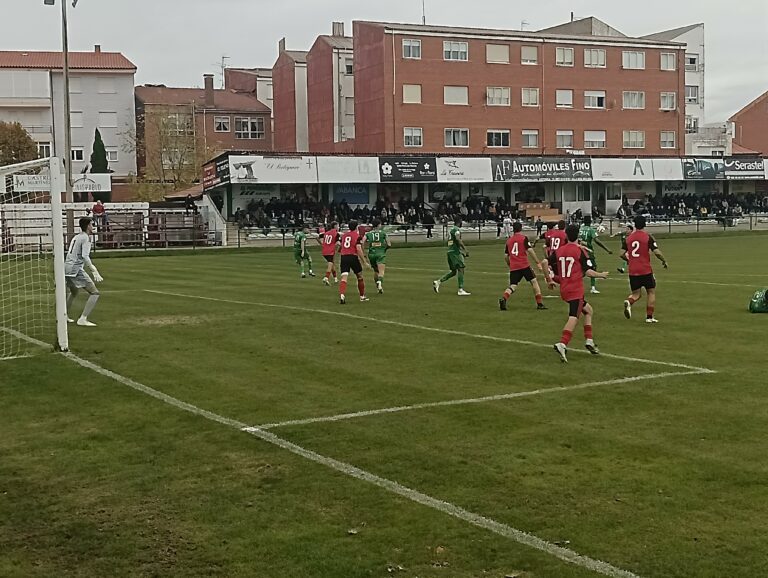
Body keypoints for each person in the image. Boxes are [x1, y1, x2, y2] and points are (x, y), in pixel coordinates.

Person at [545, 224, 609, 363]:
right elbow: (588, 271)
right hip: (575, 289)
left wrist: (549, 279)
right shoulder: (580, 251)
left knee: (589, 310)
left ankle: (589, 340)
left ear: (566, 236)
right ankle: (562, 343)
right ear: (578, 235)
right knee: (574, 316)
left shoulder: (559, 251)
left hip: (564, 288)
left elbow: (544, 262)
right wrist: (601, 275)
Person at [622, 215, 668, 323]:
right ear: (645, 224)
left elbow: (621, 253)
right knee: (651, 292)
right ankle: (649, 317)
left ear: (634, 225)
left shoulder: (628, 239)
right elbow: (656, 252)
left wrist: (630, 260)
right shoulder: (647, 237)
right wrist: (664, 260)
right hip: (645, 269)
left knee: (636, 294)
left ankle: (629, 301)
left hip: (633, 270)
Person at [64, 217, 103, 327]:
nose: (92, 226)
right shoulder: (85, 238)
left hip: (67, 267)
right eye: (91, 224)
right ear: (87, 226)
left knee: (74, 291)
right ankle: (83, 318)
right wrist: (93, 269)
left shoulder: (77, 237)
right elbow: (85, 256)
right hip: (75, 269)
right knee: (94, 293)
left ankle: (64, 315)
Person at [499, 222, 546, 311]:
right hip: (524, 265)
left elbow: (506, 256)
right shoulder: (523, 238)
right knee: (534, 282)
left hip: (514, 267)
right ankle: (539, 303)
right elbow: (530, 250)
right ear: (521, 229)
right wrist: (537, 262)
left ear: (513, 229)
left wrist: (509, 264)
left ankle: (504, 298)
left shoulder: (509, 241)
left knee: (513, 285)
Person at [433, 216, 470, 296]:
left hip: (450, 251)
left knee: (453, 272)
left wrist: (458, 251)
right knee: (461, 268)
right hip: (454, 253)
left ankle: (438, 282)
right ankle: (460, 289)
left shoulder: (451, 230)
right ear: (459, 221)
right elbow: (458, 240)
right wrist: (465, 250)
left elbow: (451, 242)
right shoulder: (456, 230)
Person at [578, 215, 613, 294]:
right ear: (590, 221)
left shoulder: (580, 229)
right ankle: (593, 288)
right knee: (593, 268)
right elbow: (596, 240)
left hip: (579, 251)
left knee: (581, 268)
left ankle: (574, 284)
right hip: (588, 252)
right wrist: (607, 249)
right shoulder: (591, 230)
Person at [338, 220, 369, 304]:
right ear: (356, 227)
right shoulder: (357, 236)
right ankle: (362, 296)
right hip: (352, 257)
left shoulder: (344, 235)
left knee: (344, 277)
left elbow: (341, 246)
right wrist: (364, 261)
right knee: (359, 276)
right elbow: (358, 248)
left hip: (344, 257)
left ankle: (342, 294)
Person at [363, 218, 391, 294]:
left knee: (376, 271)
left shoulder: (368, 233)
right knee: (381, 272)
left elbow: (362, 242)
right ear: (379, 225)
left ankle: (378, 287)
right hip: (380, 253)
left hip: (371, 254)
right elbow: (389, 244)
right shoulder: (383, 233)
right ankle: (379, 282)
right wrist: (384, 249)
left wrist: (364, 252)